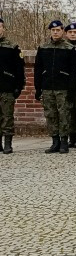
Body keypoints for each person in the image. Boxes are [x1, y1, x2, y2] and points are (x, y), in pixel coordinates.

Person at [35, 20, 76, 154]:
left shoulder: (69, 48)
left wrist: (72, 89)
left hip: (63, 88)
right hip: (48, 86)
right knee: (50, 114)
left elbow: (74, 71)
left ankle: (64, 140)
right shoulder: (43, 48)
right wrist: (38, 88)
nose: (55, 32)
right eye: (53, 30)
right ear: (50, 31)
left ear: (62, 31)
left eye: (58, 30)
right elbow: (38, 69)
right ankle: (55, 141)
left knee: (64, 114)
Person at [0, 18, 25, 155]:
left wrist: (18, 86)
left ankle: (8, 143)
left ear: (3, 29)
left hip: (7, 87)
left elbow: (19, 69)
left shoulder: (12, 46)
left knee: (7, 116)